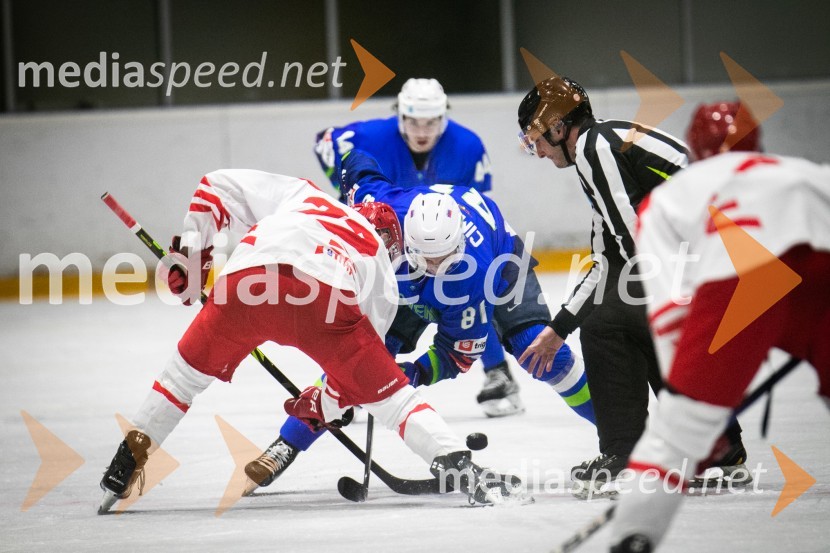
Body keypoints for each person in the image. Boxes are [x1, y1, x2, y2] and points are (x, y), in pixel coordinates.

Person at [98, 170, 520, 512]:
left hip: (242, 287)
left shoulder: (306, 196)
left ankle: (123, 464)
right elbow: (358, 375)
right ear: (399, 243)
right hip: (324, 300)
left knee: (180, 380)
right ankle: (463, 470)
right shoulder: (383, 273)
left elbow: (215, 186)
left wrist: (193, 256)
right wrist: (324, 403)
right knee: (394, 400)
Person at [243, 150, 596, 494]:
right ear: (406, 240)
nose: (438, 266)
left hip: (501, 258)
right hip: (400, 279)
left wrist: (412, 374)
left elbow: (457, 352)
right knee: (354, 359)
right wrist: (349, 205)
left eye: (445, 255)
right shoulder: (377, 209)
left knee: (540, 352)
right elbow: (356, 161)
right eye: (428, 257)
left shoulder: (471, 273)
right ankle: (285, 444)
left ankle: (621, 437)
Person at [516, 78, 749, 498]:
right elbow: (610, 262)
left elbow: (632, 250)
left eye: (538, 139)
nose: (540, 151)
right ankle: (720, 451)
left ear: (556, 127)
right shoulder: (606, 145)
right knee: (628, 315)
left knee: (611, 322)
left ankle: (627, 454)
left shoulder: (594, 148)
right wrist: (559, 328)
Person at [608, 109, 830, 551]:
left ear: (694, 152)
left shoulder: (669, 198)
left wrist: (692, 405)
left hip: (740, 284)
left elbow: (670, 308)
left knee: (679, 429)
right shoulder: (805, 171)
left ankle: (634, 534)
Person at [314, 78, 520, 418]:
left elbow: (476, 204)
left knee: (473, 293)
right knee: (379, 310)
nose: (421, 131)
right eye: (412, 121)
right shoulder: (369, 137)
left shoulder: (467, 145)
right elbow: (324, 143)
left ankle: (497, 370)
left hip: (444, 242)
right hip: (392, 241)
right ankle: (340, 386)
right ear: (399, 117)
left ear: (444, 117)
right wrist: (349, 192)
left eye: (431, 122)